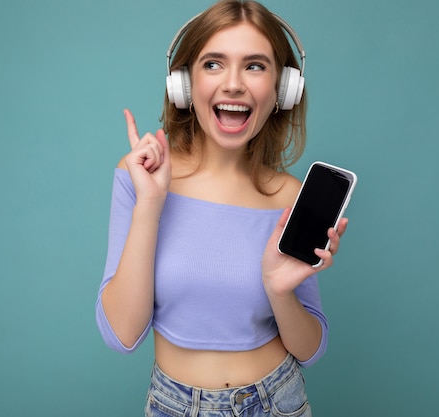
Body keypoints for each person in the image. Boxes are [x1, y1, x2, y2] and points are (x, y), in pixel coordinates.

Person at [95, 1, 348, 415]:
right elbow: (122, 335)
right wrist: (151, 204)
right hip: (173, 405)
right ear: (184, 84)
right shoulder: (140, 176)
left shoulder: (290, 196)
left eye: (255, 66)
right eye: (213, 64)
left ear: (284, 89)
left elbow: (311, 349)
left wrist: (280, 291)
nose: (233, 84)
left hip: (278, 401)